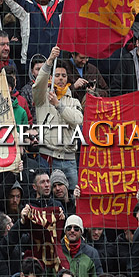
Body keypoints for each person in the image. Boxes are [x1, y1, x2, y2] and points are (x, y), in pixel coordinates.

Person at [33, 47, 83, 191]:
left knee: (73, 198)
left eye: (64, 75)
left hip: (69, 160)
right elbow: (38, 84)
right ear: (50, 77)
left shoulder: (74, 102)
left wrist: (58, 105)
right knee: (46, 197)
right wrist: (49, 62)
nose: (61, 78)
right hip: (47, 157)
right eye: (57, 75)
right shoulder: (42, 98)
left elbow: (78, 120)